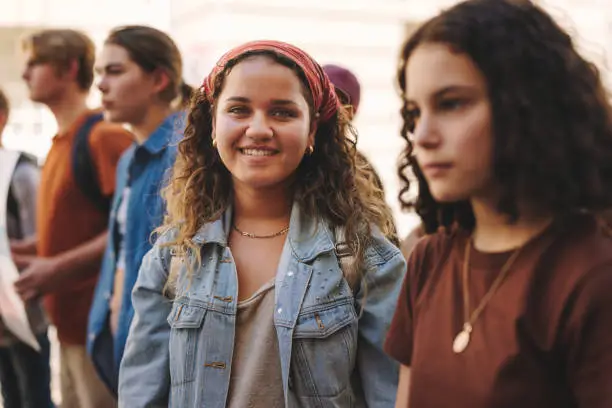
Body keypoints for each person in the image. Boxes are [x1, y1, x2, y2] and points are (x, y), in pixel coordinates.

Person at [118, 40, 405, 407]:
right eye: (238, 110)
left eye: (283, 113)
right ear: (212, 125)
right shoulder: (172, 257)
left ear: (313, 130)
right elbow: (140, 396)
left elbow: (392, 395)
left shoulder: (367, 259)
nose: (258, 129)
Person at [384, 1, 612, 407]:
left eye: (451, 103)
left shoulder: (590, 275)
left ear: (526, 105)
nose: (422, 135)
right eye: (414, 112)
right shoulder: (430, 258)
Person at [12, 29, 132, 408]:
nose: (25, 74)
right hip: (65, 330)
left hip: (100, 333)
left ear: (69, 68)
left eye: (35, 63)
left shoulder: (103, 136)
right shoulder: (59, 141)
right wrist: (22, 251)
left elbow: (132, 232)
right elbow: (79, 226)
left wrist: (55, 267)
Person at [87, 25, 192, 394]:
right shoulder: (130, 157)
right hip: (123, 344)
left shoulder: (188, 155)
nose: (100, 84)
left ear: (159, 79)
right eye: (99, 72)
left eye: (114, 71)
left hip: (164, 359)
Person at [0, 89, 53, 408]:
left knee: (34, 396)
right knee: (11, 395)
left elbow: (42, 245)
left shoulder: (21, 173)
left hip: (24, 311)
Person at [323, 63, 398, 245]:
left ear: (348, 113)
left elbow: (386, 237)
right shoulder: (289, 157)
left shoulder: (361, 169)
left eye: (334, 103)